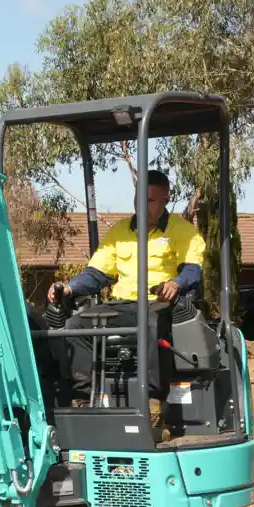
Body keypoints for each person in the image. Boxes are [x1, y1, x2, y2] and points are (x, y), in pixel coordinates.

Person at [44, 169, 207, 400]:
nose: (142, 206)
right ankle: (85, 395)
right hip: (121, 306)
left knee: (150, 322)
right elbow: (96, 273)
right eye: (138, 199)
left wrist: (175, 284)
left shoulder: (183, 231)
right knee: (74, 324)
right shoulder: (120, 232)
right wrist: (70, 287)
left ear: (166, 198)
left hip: (158, 304)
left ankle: (152, 397)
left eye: (149, 200)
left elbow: (192, 270)